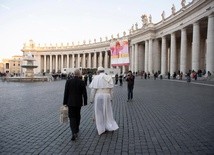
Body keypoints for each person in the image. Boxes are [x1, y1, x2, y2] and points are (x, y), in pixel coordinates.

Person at [89, 66, 119, 135]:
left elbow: (93, 90)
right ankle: (108, 125)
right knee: (107, 111)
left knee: (99, 112)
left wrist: (91, 99)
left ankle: (100, 127)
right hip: (107, 95)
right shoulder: (109, 77)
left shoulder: (96, 77)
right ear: (103, 71)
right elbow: (111, 90)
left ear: (98, 71)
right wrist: (111, 98)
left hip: (98, 96)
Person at [63, 69, 87, 141]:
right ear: (79, 74)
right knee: (78, 115)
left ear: (73, 74)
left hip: (70, 102)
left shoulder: (68, 81)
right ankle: (77, 128)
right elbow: (84, 93)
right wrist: (85, 102)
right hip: (78, 102)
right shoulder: (82, 82)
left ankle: (73, 132)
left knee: (72, 117)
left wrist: (64, 102)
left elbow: (66, 93)